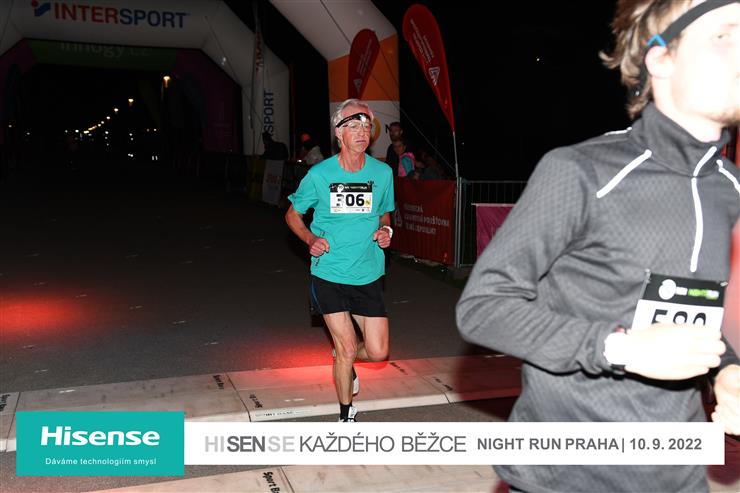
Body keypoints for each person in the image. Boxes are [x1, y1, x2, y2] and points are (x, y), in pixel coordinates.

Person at [456, 1, 740, 492]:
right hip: (566, 475)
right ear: (661, 59)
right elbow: (483, 308)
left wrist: (728, 371)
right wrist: (619, 348)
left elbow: (698, 312)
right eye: (724, 36)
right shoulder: (582, 172)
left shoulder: (729, 188)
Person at [285, 98, 395, 422]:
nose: (362, 132)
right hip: (329, 273)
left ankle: (344, 360)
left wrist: (386, 230)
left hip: (368, 273)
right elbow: (292, 215)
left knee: (378, 351)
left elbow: (384, 213)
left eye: (366, 126)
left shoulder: (382, 173)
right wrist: (310, 239)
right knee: (347, 347)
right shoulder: (319, 175)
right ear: (338, 133)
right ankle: (347, 416)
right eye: (353, 126)